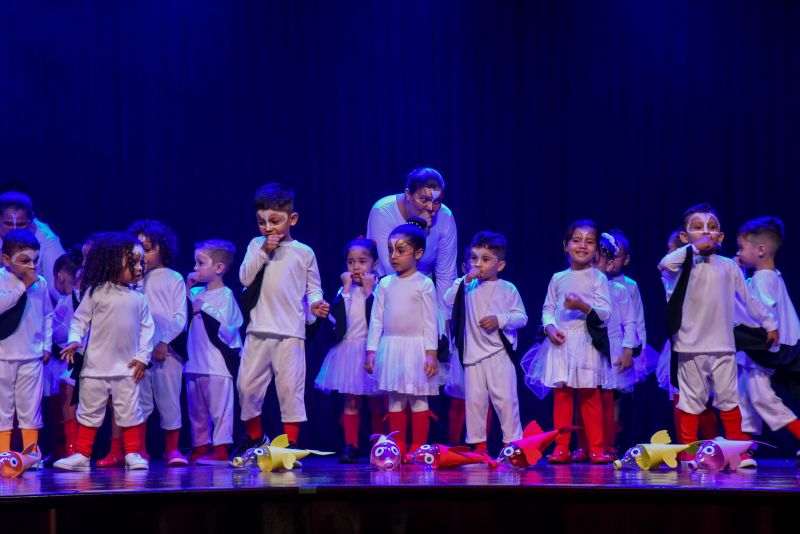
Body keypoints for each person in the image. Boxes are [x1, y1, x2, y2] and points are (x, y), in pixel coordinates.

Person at [658, 203, 777, 458]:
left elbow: (749, 298)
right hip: (689, 346)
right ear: (684, 236)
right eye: (697, 228)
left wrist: (769, 323)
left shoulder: (729, 266)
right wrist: (692, 249)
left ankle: (738, 451)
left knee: (728, 400)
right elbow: (664, 264)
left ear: (721, 236)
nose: (705, 233)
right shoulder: (678, 266)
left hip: (723, 345)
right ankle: (690, 453)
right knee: (691, 401)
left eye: (712, 228)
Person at [235, 183, 330, 456]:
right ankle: (255, 438)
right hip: (258, 329)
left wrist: (315, 304)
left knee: (290, 390)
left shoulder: (304, 252)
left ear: (292, 219)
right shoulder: (256, 245)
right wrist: (264, 251)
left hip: (290, 332)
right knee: (246, 386)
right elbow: (244, 277)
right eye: (261, 222)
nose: (268, 227)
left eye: (275, 221)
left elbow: (313, 287)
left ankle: (289, 446)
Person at [53, 232, 153, 471]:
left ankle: (132, 454)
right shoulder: (94, 293)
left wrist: (142, 358)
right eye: (133, 263)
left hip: (126, 368)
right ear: (111, 263)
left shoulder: (138, 298)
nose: (138, 268)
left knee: (129, 411)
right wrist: (75, 340)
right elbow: (79, 321)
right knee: (89, 412)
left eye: (140, 262)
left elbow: (147, 330)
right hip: (95, 367)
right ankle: (82, 455)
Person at [521, 219, 614, 464]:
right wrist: (550, 327)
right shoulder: (558, 278)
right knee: (562, 397)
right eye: (576, 240)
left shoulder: (598, 278)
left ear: (596, 249)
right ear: (566, 245)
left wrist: (582, 306)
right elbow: (548, 308)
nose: (582, 245)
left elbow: (605, 312)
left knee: (589, 397)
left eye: (589, 241)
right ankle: (561, 446)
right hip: (561, 343)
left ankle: (596, 447)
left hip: (585, 342)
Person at [444, 231, 527, 454]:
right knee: (475, 403)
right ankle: (478, 446)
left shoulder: (507, 288)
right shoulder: (466, 286)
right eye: (474, 258)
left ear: (499, 266)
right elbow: (447, 301)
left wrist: (500, 320)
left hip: (499, 354)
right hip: (473, 355)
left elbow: (522, 317)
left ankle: (512, 444)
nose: (478, 264)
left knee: (506, 400)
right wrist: (463, 280)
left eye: (485, 259)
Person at [365, 219, 441, 458]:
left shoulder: (425, 284)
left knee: (419, 400)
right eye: (390, 251)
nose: (393, 256)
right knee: (395, 400)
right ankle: (396, 449)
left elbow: (431, 321)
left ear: (418, 253)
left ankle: (418, 449)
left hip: (417, 349)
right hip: (392, 347)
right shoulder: (385, 284)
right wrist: (371, 350)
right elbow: (376, 319)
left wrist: (431, 354)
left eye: (400, 250)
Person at [734, 217, 800, 461]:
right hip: (758, 352)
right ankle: (744, 450)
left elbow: (762, 312)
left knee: (761, 398)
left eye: (742, 247)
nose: (739, 252)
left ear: (760, 250)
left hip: (765, 349)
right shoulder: (767, 275)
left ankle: (745, 449)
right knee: (745, 396)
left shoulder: (763, 278)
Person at [314, 237, 382, 463]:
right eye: (351, 262)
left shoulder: (381, 289)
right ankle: (350, 445)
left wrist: (371, 291)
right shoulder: (344, 291)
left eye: (362, 261)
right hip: (349, 351)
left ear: (374, 263)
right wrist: (344, 291)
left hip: (372, 350)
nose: (356, 267)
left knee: (377, 402)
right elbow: (337, 325)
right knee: (351, 401)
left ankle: (379, 446)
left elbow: (377, 320)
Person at [128, 219, 188, 466]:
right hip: (140, 354)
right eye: (140, 249)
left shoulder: (174, 278)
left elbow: (180, 318)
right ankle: (139, 451)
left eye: (149, 248)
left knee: (169, 401)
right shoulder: (133, 281)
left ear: (163, 249)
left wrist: (163, 342)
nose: (144, 255)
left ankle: (173, 450)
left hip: (167, 354)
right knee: (139, 402)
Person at [185, 239, 243, 463]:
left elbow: (230, 328)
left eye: (200, 263)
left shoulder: (226, 295)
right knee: (196, 410)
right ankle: (200, 445)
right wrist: (189, 288)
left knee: (220, 409)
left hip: (216, 364)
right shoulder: (196, 292)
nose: (195, 267)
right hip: (194, 362)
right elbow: (184, 312)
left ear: (218, 268)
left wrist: (205, 307)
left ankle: (221, 448)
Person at [0, 230, 53, 456]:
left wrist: (47, 345)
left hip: (31, 355)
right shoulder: (2, 279)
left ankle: (31, 454)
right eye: (24, 261)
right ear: (6, 260)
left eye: (35, 261)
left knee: (30, 407)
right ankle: (3, 453)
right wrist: (23, 287)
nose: (31, 266)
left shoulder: (40, 284)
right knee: (3, 407)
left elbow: (47, 315)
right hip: (3, 355)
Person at [0, 191, 66, 303]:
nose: (15, 230)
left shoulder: (48, 241)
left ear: (31, 221)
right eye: (8, 224)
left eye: (21, 224)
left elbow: (58, 290)